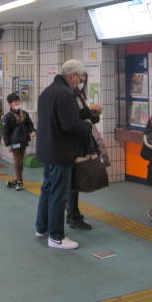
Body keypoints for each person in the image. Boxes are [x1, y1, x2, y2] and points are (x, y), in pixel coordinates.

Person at [35, 59, 92, 250]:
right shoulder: (65, 94)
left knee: (47, 190)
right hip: (60, 152)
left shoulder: (46, 92)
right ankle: (56, 237)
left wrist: (84, 113)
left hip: (46, 150)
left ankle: (41, 228)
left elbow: (58, 120)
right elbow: (70, 125)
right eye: (80, 77)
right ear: (73, 75)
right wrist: (87, 125)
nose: (80, 81)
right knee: (59, 194)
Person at [66, 72, 102, 231]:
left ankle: (73, 213)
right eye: (80, 79)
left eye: (84, 81)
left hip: (80, 142)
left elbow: (84, 117)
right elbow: (74, 120)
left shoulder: (79, 96)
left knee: (74, 180)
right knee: (72, 182)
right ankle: (72, 215)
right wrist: (89, 112)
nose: (81, 83)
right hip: (72, 145)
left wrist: (94, 114)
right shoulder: (68, 96)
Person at [2, 93, 35, 191]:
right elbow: (5, 132)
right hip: (14, 143)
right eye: (15, 102)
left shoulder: (24, 114)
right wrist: (8, 145)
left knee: (20, 160)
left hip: (23, 141)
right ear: (10, 104)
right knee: (18, 160)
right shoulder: (7, 117)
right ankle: (19, 181)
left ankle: (17, 180)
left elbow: (29, 124)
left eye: (18, 101)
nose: (17, 103)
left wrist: (32, 131)